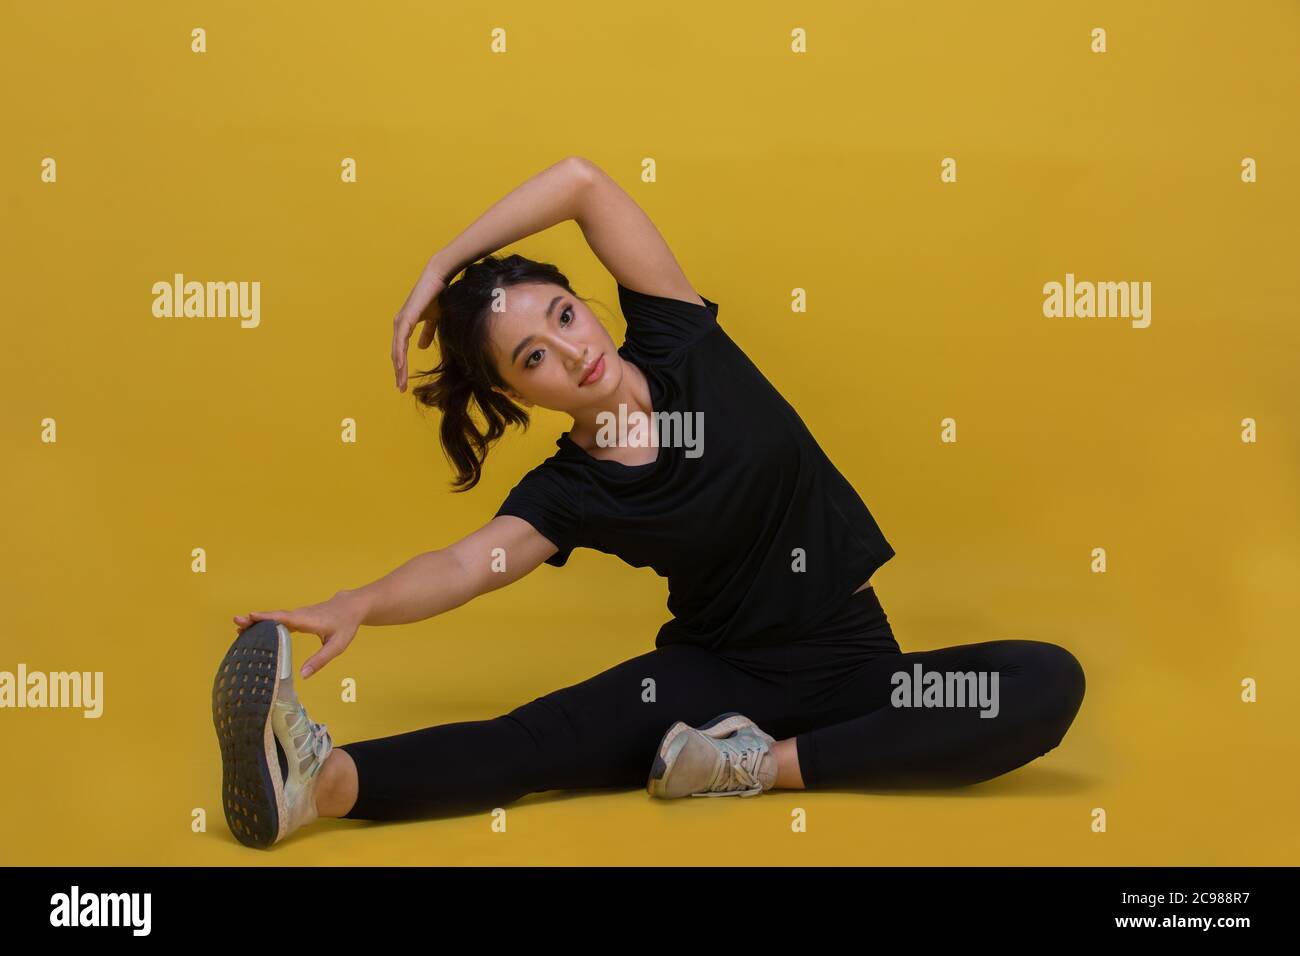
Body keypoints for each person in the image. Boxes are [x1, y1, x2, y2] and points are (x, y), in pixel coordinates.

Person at [212, 156, 1085, 849]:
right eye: (530, 359)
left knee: (1045, 681)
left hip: (858, 668)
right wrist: (355, 604)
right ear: (523, 396)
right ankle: (315, 783)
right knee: (537, 744)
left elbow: (581, 181)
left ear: (587, 304)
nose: (568, 350)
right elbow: (463, 565)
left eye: (562, 315)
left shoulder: (677, 333)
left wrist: (440, 265)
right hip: (714, 679)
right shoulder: (573, 489)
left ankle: (756, 768)